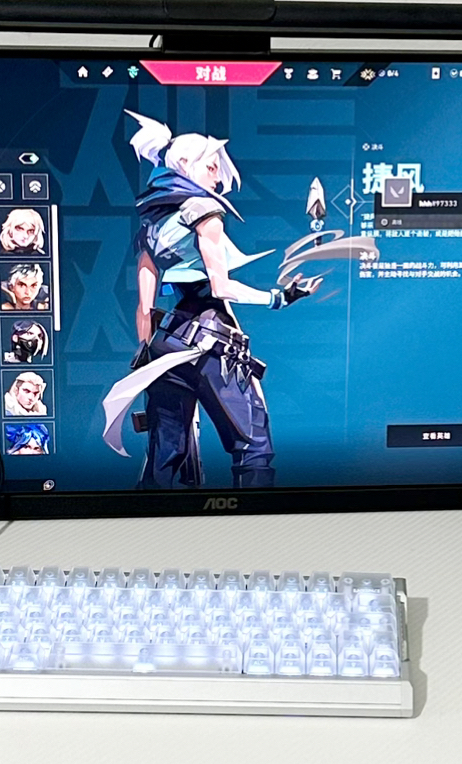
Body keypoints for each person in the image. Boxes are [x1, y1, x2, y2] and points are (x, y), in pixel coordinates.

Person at [99, 115, 334, 490]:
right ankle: (255, 521)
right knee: (253, 446)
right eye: (211, 167)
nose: (219, 178)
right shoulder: (205, 213)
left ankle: (146, 519)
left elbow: (145, 303)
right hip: (211, 345)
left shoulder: (151, 223)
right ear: (185, 164)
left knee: (165, 454)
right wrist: (280, 297)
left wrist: (148, 348)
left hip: (165, 345)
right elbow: (221, 287)